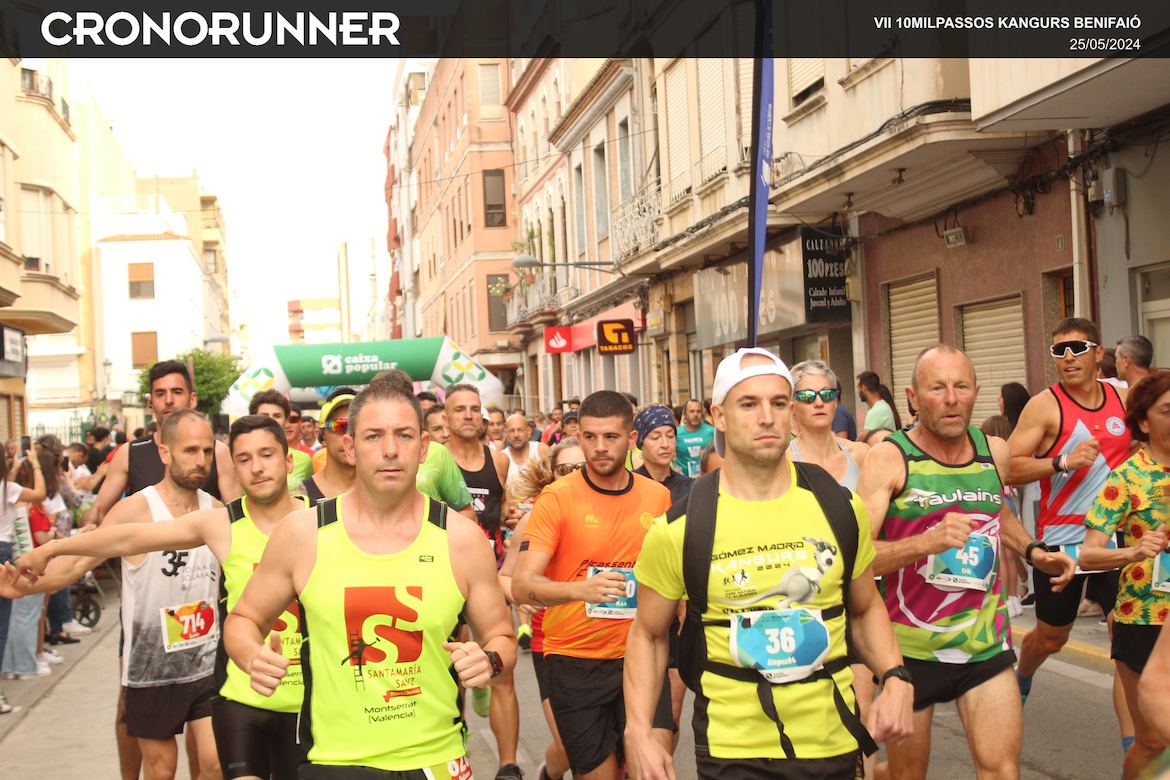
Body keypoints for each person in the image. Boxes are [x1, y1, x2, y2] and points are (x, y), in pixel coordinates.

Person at [626, 348, 914, 780]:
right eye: (749, 404)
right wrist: (638, 731)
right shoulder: (682, 526)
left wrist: (895, 675)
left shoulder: (839, 506)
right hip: (732, 750)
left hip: (834, 740)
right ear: (719, 417)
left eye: (779, 403)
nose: (767, 417)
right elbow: (648, 636)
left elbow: (865, 607)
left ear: (791, 413)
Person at [223, 376, 517, 779]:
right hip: (336, 762)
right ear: (350, 447)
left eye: (404, 435)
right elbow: (243, 619)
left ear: (424, 447)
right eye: (374, 436)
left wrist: (490, 661)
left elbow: (501, 637)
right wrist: (251, 656)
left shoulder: (463, 539)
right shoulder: (302, 534)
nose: (390, 450)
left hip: (438, 760)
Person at [16, 415, 312, 780]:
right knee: (162, 769)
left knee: (213, 765)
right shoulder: (197, 519)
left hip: (220, 666)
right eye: (190, 450)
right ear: (165, 453)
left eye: (206, 451)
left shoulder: (238, 513)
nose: (200, 460)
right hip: (164, 666)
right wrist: (39, 565)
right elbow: (114, 545)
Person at [857, 344, 1076, 780]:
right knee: (905, 776)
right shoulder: (890, 457)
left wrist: (1033, 551)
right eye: (937, 388)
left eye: (961, 386)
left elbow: (998, 512)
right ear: (913, 397)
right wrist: (926, 543)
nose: (951, 399)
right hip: (910, 650)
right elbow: (858, 558)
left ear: (976, 392)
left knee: (1002, 771)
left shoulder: (995, 451)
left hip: (984, 643)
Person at [515, 391, 675, 780]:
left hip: (640, 655)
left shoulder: (658, 497)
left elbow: (673, 575)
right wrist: (578, 590)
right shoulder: (557, 498)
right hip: (575, 660)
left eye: (610, 437)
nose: (599, 447)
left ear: (632, 439)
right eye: (589, 437)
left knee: (654, 767)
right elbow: (521, 584)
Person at [1007, 319, 1133, 719]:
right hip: (1063, 540)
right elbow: (1008, 467)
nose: (1068, 358)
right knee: (1052, 637)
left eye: (1077, 348)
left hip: (1114, 537)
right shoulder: (1045, 406)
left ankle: (1135, 743)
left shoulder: (1123, 400)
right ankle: (1023, 674)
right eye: (1059, 351)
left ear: (1098, 353)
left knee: (1124, 640)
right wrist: (1062, 461)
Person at [1079, 369, 1170, 779]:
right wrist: (1133, 551)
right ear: (1144, 423)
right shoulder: (1127, 477)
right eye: (1167, 410)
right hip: (1144, 619)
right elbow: (1088, 554)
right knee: (1151, 742)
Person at [444, 383, 522, 780]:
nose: (469, 415)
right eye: (460, 409)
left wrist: (510, 514)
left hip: (488, 577)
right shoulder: (435, 461)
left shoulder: (498, 460)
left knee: (503, 671)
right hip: (445, 576)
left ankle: (508, 766)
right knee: (451, 669)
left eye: (475, 408)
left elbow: (502, 503)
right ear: (446, 418)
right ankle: (453, 745)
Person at [500, 436, 584, 780]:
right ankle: (550, 774)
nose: (574, 475)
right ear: (552, 474)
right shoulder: (534, 518)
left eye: (582, 467)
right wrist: (521, 595)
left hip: (609, 639)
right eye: (566, 469)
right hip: (551, 641)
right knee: (569, 744)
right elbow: (504, 577)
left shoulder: (614, 512)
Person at [789, 361, 870, 490]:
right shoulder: (784, 461)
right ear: (793, 407)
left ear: (835, 402)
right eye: (807, 396)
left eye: (827, 394)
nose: (819, 403)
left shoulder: (861, 454)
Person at [249, 389, 314, 486]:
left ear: (285, 421)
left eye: (277, 416)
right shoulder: (241, 458)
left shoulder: (304, 460)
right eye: (264, 416)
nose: (271, 421)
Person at [633, 405, 693, 506]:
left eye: (670, 436)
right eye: (656, 437)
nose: (665, 444)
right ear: (640, 442)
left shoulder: (691, 488)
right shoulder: (629, 486)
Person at [503, 412, 550, 486]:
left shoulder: (541, 449)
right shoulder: (502, 457)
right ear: (506, 433)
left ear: (528, 431)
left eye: (520, 430)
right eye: (512, 431)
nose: (516, 435)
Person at [675, 399, 715, 479]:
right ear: (684, 413)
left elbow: (723, 454)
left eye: (698, 411)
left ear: (702, 413)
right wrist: (673, 468)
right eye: (692, 411)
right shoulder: (676, 433)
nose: (695, 414)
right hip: (683, 480)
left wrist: (708, 454)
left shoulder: (712, 431)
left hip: (707, 479)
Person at [857, 371, 898, 440]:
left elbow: (862, 440)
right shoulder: (883, 405)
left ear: (864, 388)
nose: (858, 392)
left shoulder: (876, 411)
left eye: (858, 388)